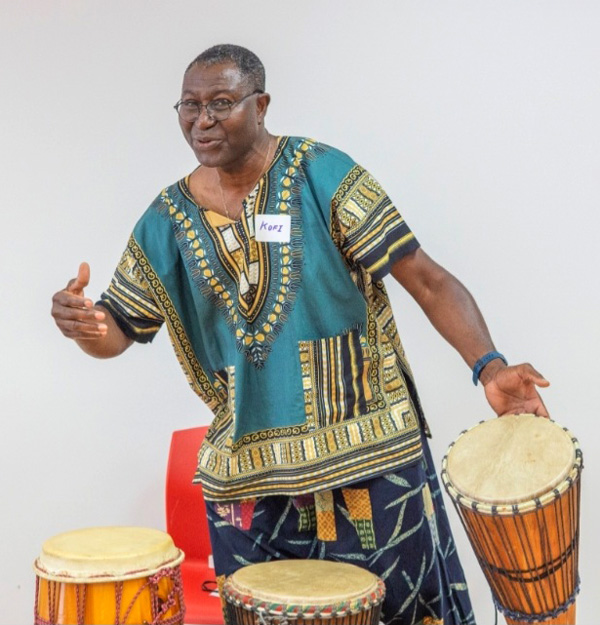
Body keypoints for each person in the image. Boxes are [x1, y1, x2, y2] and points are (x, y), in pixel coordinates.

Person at [51, 44, 549, 625]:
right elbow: (118, 329)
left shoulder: (323, 173)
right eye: (189, 105)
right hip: (247, 476)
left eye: (221, 103)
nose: (202, 119)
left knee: (406, 612)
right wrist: (84, 324)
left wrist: (490, 366)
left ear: (260, 104)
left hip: (370, 456)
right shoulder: (166, 219)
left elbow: (429, 281)